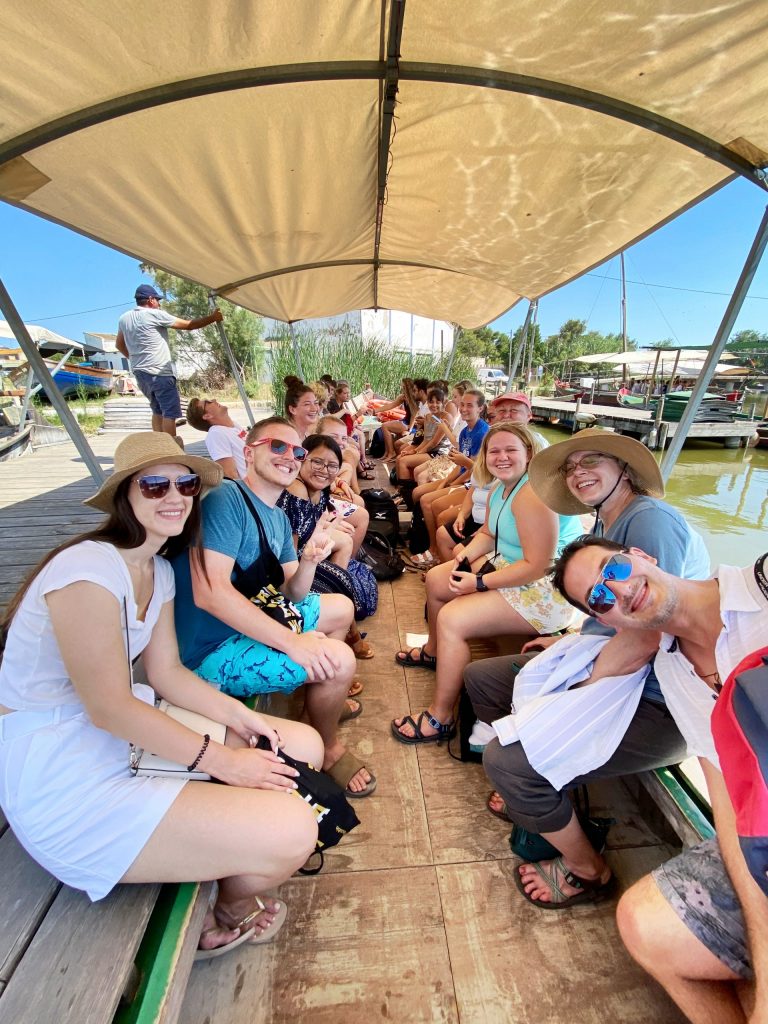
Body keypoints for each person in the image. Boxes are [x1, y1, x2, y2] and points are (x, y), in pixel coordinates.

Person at [0, 432, 321, 958]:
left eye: (186, 484)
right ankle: (228, 911)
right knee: (294, 830)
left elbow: (167, 673)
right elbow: (109, 708)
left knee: (299, 745)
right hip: (65, 775)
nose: (174, 497)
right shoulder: (86, 571)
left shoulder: (155, 569)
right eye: (154, 485)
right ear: (125, 495)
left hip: (119, 738)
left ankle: (221, 843)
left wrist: (240, 718)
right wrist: (223, 760)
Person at [469, 429, 710, 900]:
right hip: (617, 666)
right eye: (571, 467)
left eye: (592, 461)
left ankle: (589, 871)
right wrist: (573, 642)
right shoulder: (607, 517)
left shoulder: (649, 521)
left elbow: (647, 630)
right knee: (485, 679)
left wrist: (573, 690)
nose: (579, 473)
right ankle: (540, 787)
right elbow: (610, 614)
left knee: (509, 762)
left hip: (658, 698)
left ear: (624, 468)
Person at [551, 536, 767, 1024]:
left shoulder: (762, 588)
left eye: (613, 569)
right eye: (599, 598)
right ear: (608, 622)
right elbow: (729, 807)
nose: (617, 590)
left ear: (642, 556)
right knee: (642, 923)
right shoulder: (673, 671)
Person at [171, 415, 376, 798]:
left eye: (296, 451)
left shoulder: (278, 518)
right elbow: (211, 593)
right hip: (210, 648)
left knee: (341, 608)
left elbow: (292, 593)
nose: (289, 455)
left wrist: (309, 560)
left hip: (254, 616)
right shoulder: (226, 500)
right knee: (340, 661)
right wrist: (294, 643)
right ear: (249, 453)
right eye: (277, 446)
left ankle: (317, 706)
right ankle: (328, 747)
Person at [391, 423, 581, 743]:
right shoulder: (499, 488)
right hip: (514, 569)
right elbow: (488, 533)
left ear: (529, 454)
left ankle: (441, 717)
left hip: (546, 590)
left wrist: (479, 583)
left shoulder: (533, 494)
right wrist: (463, 556)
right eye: (494, 451)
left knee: (452, 619)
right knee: (437, 579)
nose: (501, 457)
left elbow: (537, 565)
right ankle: (434, 651)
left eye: (510, 450)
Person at [278, 434, 378, 656]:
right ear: (302, 459)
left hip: (307, 554)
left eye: (332, 465)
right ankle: (347, 638)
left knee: (342, 577)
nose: (324, 470)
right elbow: (289, 554)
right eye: (317, 462)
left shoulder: (319, 488)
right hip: (287, 569)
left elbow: (315, 522)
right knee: (341, 580)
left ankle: (346, 634)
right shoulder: (297, 490)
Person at [115, 286, 223, 439]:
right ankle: (171, 448)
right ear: (151, 300)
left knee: (157, 410)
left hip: (140, 373)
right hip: (159, 372)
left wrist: (133, 360)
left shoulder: (124, 319)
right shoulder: (154, 314)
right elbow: (189, 325)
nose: (159, 304)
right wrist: (213, 318)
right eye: (157, 300)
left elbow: (119, 344)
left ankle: (159, 446)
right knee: (169, 413)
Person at [409, 389, 489, 567]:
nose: (464, 409)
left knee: (432, 504)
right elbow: (459, 465)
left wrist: (451, 484)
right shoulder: (465, 432)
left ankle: (436, 552)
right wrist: (445, 483)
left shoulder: (483, 432)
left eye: (470, 405)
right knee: (421, 496)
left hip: (471, 483)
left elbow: (474, 470)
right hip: (462, 477)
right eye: (462, 405)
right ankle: (431, 547)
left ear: (481, 408)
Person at [396, 387, 454, 483]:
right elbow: (426, 440)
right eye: (431, 402)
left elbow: (434, 442)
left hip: (440, 452)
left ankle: (406, 490)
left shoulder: (446, 417)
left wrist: (417, 453)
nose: (434, 405)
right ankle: (403, 487)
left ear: (443, 403)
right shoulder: (428, 417)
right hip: (429, 450)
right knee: (399, 458)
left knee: (403, 461)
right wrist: (414, 451)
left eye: (438, 402)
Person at [186, 396, 248, 479]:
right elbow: (230, 474)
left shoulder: (233, 426)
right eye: (208, 402)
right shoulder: (216, 433)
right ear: (207, 416)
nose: (214, 400)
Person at [284, 376, 320, 440]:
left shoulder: (306, 435)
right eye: (307, 404)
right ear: (292, 409)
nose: (314, 409)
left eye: (316, 403)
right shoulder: (285, 437)